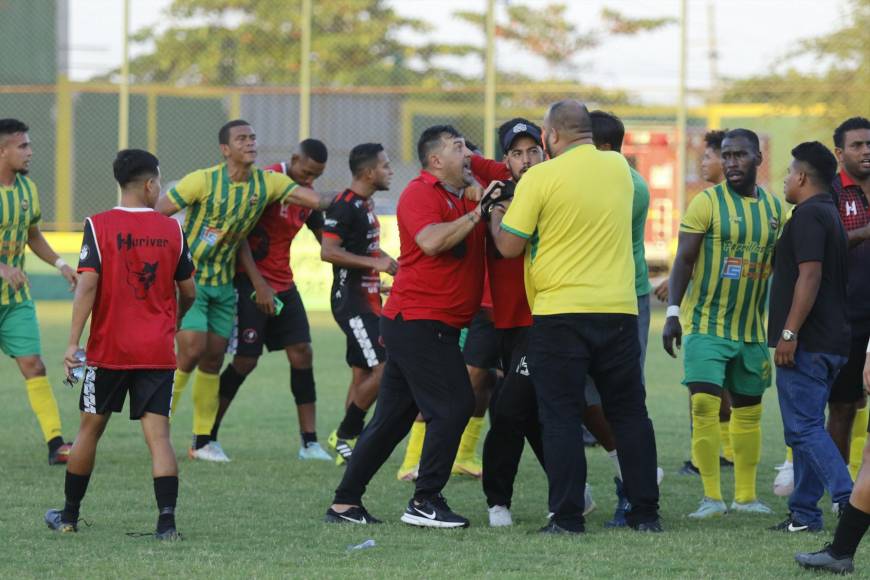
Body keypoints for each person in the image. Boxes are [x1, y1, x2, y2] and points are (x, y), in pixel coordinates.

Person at [490, 100, 661, 534]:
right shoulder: (622, 171)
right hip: (619, 309)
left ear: (550, 136)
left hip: (560, 312)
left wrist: (496, 216)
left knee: (561, 415)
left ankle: (567, 518)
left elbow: (510, 247)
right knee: (629, 413)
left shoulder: (542, 177)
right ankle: (645, 513)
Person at [325, 125, 484, 528]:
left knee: (391, 420)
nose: (467, 152)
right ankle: (425, 500)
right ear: (435, 160)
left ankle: (345, 504)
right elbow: (431, 241)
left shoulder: (458, 194)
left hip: (419, 323)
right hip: (420, 322)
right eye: (457, 146)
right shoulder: (419, 192)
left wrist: (482, 198)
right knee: (456, 405)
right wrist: (479, 212)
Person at [155, 120, 329, 462]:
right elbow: (155, 215)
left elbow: (317, 201)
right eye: (241, 138)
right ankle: (157, 424)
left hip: (223, 284)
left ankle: (203, 441)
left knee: (213, 357)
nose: (250, 142)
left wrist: (356, 191)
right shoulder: (202, 181)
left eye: (253, 137)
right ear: (225, 149)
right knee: (191, 350)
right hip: (193, 280)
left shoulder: (267, 183)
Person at [44, 149, 196, 538]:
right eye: (158, 182)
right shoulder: (173, 229)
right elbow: (189, 290)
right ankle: (167, 524)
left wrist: (73, 343)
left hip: (108, 351)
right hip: (157, 353)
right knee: (159, 437)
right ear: (149, 185)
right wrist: (172, 321)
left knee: (88, 432)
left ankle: (69, 517)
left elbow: (88, 286)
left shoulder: (98, 225)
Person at [664, 128, 784, 518]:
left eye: (740, 155)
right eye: (727, 155)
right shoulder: (707, 203)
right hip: (705, 326)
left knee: (749, 413)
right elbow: (684, 260)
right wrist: (672, 314)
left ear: (758, 159)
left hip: (751, 331)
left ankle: (746, 497)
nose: (732, 163)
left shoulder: (775, 210)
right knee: (703, 403)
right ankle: (711, 498)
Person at [209, 138, 332, 461]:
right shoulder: (264, 181)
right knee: (245, 360)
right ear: (294, 159)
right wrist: (258, 284)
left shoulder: (307, 197)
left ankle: (310, 442)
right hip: (250, 282)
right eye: (306, 172)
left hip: (283, 284)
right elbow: (239, 235)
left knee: (302, 353)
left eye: (315, 176)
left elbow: (325, 241)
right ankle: (207, 436)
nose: (309, 181)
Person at [767, 141, 850, 534]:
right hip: (830, 340)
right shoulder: (829, 213)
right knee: (805, 428)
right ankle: (804, 513)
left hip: (809, 342)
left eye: (787, 172)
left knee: (803, 428)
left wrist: (788, 332)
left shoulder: (808, 217)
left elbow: (810, 275)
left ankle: (848, 498)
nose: (784, 180)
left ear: (801, 176)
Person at [0, 118, 77, 465]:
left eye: (29, 145)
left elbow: (32, 235)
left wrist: (61, 264)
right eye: (22, 146)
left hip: (15, 301)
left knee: (34, 365)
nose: (30, 152)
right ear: (2, 151)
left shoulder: (27, 190)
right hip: (8, 281)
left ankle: (55, 444)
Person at [322, 143, 397, 464]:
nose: (390, 170)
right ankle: (346, 432)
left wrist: (389, 266)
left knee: (362, 372)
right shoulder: (344, 205)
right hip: (352, 303)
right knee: (386, 366)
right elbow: (329, 251)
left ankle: (344, 449)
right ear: (368, 173)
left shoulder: (365, 204)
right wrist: (374, 265)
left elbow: (367, 253)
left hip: (367, 297)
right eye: (385, 165)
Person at [828, 117, 870, 481]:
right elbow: (822, 242)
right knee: (842, 405)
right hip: (847, 316)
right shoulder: (831, 193)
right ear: (840, 153)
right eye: (857, 145)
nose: (866, 150)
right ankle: (841, 490)